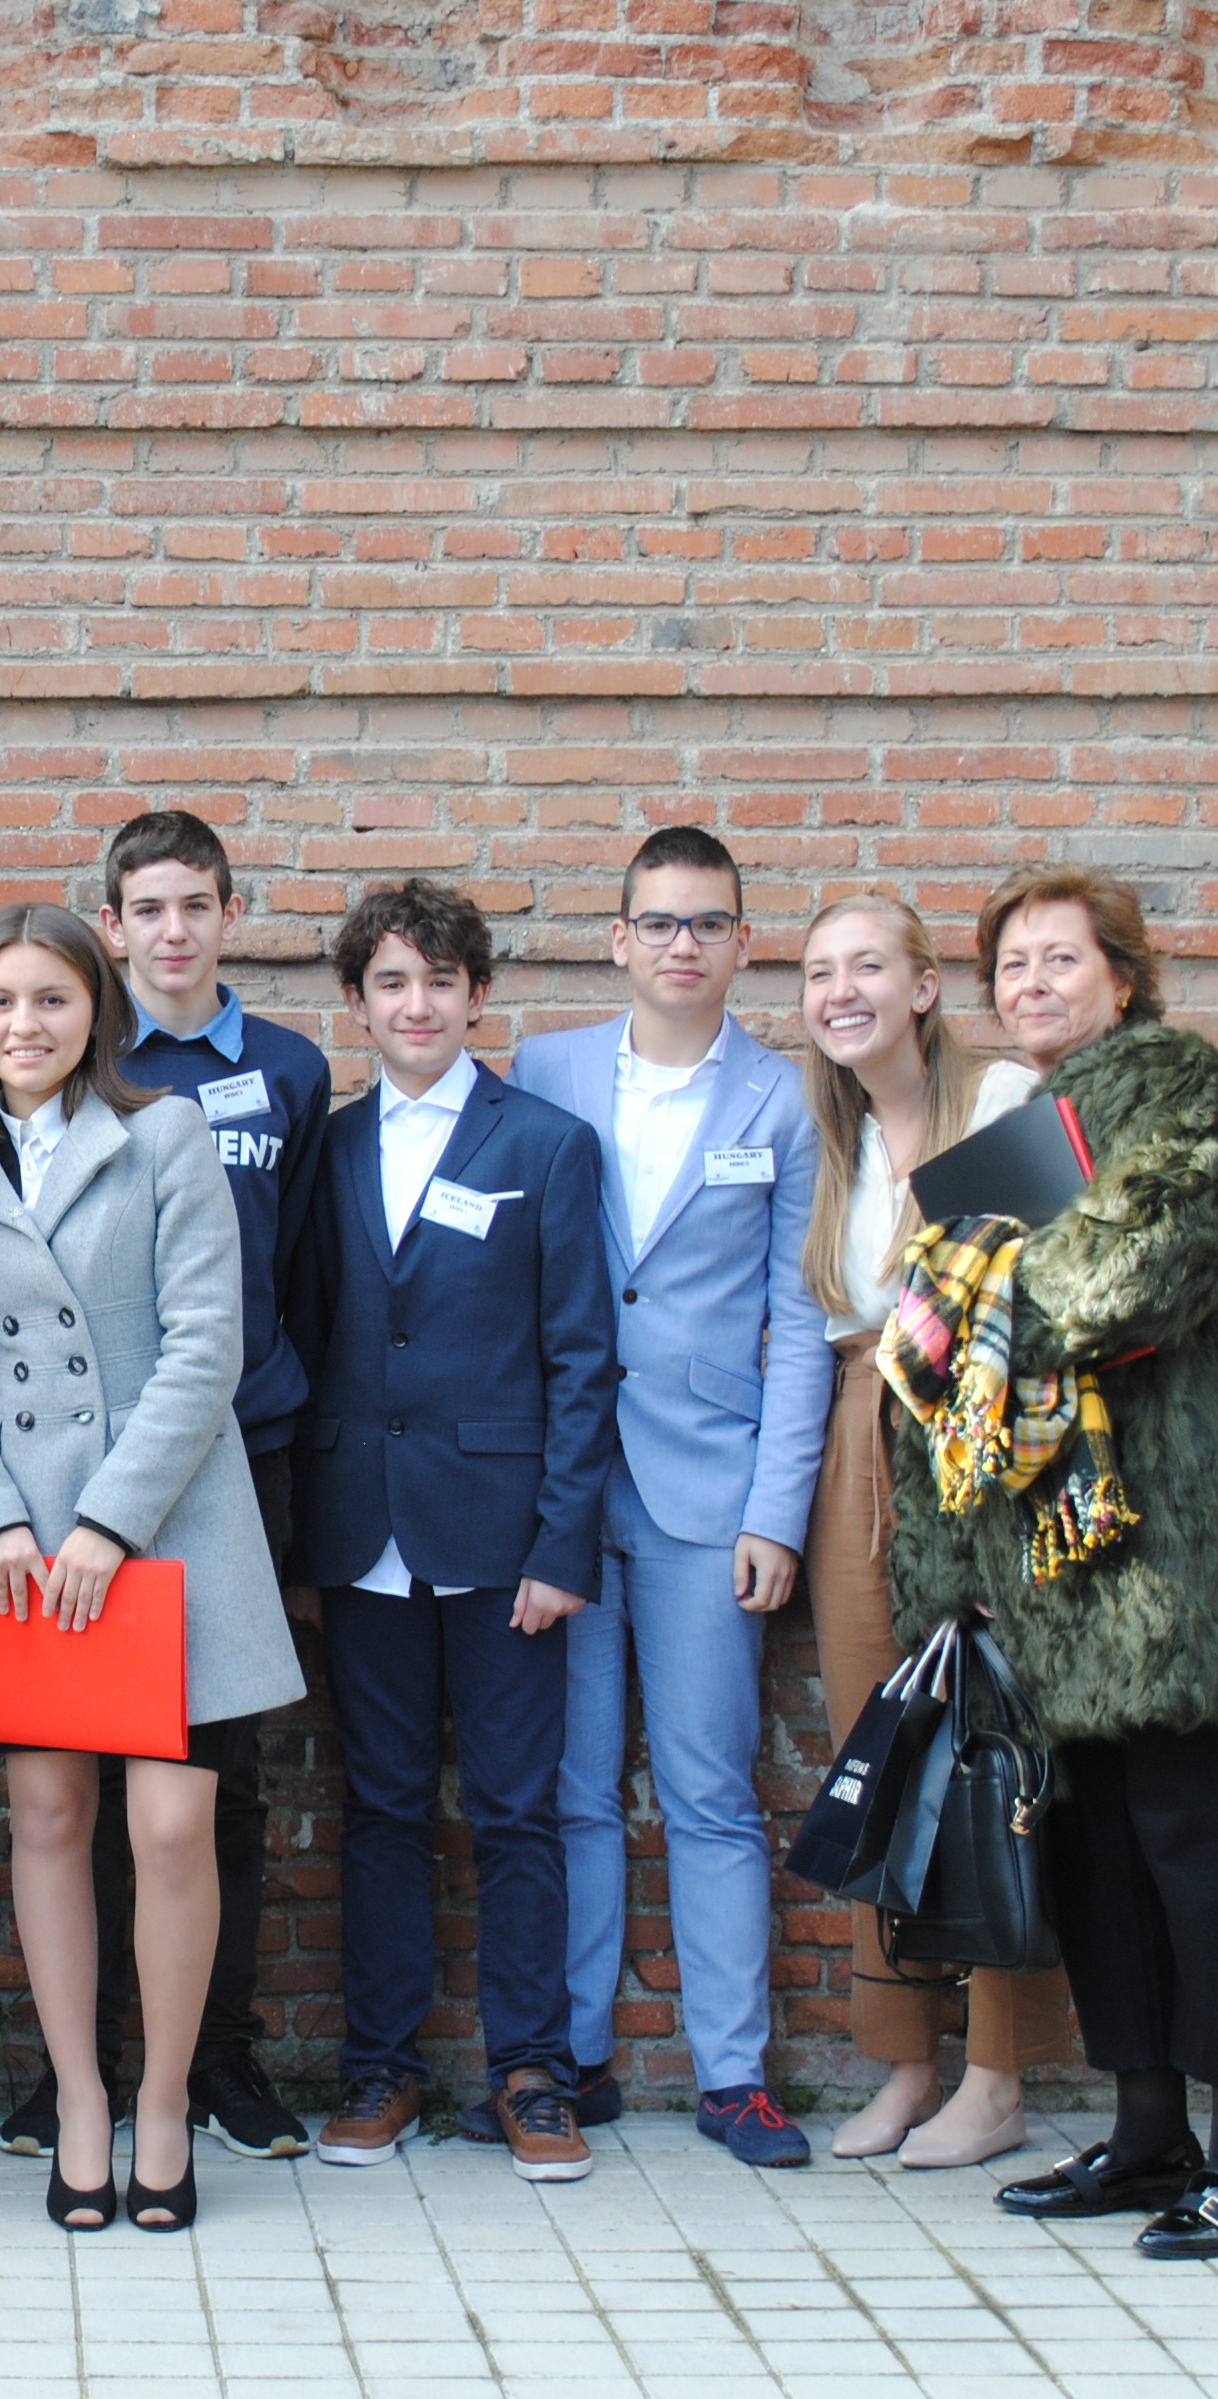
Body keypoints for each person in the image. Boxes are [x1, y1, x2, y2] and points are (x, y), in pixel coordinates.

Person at [889, 869, 1218, 2261]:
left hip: (1192, 1565)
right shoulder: (1024, 1138)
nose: (1031, 984)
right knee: (1097, 1856)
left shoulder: (1184, 1098)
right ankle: (1148, 2132)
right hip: (1057, 1566)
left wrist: (977, 1285)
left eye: (1060, 960)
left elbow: (1124, 1279)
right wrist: (948, 1566)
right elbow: (928, 1365)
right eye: (1011, 965)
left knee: (1204, 1851)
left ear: (1124, 979)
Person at [0, 904, 304, 2233]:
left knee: (174, 1826)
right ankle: (80, 2098)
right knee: (50, 1818)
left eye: (52, 1000)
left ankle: (166, 2102)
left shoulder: (165, 1133)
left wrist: (108, 1523)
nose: (25, 1025)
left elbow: (207, 1345)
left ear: (97, 1012)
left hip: (167, 1518)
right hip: (18, 1540)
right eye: (0, 1002)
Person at [506, 825, 831, 2169]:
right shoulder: (545, 1071)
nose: (682, 944)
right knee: (574, 1787)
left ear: (742, 944)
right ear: (619, 939)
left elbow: (801, 1321)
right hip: (566, 1484)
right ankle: (576, 2060)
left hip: (711, 1488)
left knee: (707, 1788)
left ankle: (733, 2076)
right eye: (659, 921)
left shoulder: (785, 1101)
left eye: (708, 923)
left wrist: (776, 1512)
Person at [7, 807, 325, 2167]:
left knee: (210, 1789)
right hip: (69, 1485)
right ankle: (80, 2069)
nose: (175, 929)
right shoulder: (80, 1067)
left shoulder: (288, 1070)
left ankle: (215, 2061)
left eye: (198, 904)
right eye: (148, 907)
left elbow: (295, 1272)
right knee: (71, 1789)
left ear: (229, 914)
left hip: (233, 1458)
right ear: (114, 925)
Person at [291, 881, 620, 2179]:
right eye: (390, 982)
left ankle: (533, 2072)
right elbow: (310, 1333)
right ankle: (380, 2068)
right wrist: (305, 1541)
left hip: (502, 1539)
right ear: (357, 1003)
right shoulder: (328, 1146)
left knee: (517, 1811)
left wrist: (560, 1545)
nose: (416, 1004)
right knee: (377, 1808)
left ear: (478, 996)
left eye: (439, 981)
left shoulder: (545, 1145)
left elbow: (581, 1357)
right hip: (360, 1531)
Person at [793, 894, 1078, 2169]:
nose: (840, 991)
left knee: (992, 1750)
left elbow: (1051, 1300)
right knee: (876, 1747)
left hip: (976, 1440)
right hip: (858, 1436)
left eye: (867, 966)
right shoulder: (829, 1135)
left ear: (920, 987)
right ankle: (904, 2058)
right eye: (818, 973)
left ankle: (998, 2072)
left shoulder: (1002, 1098)